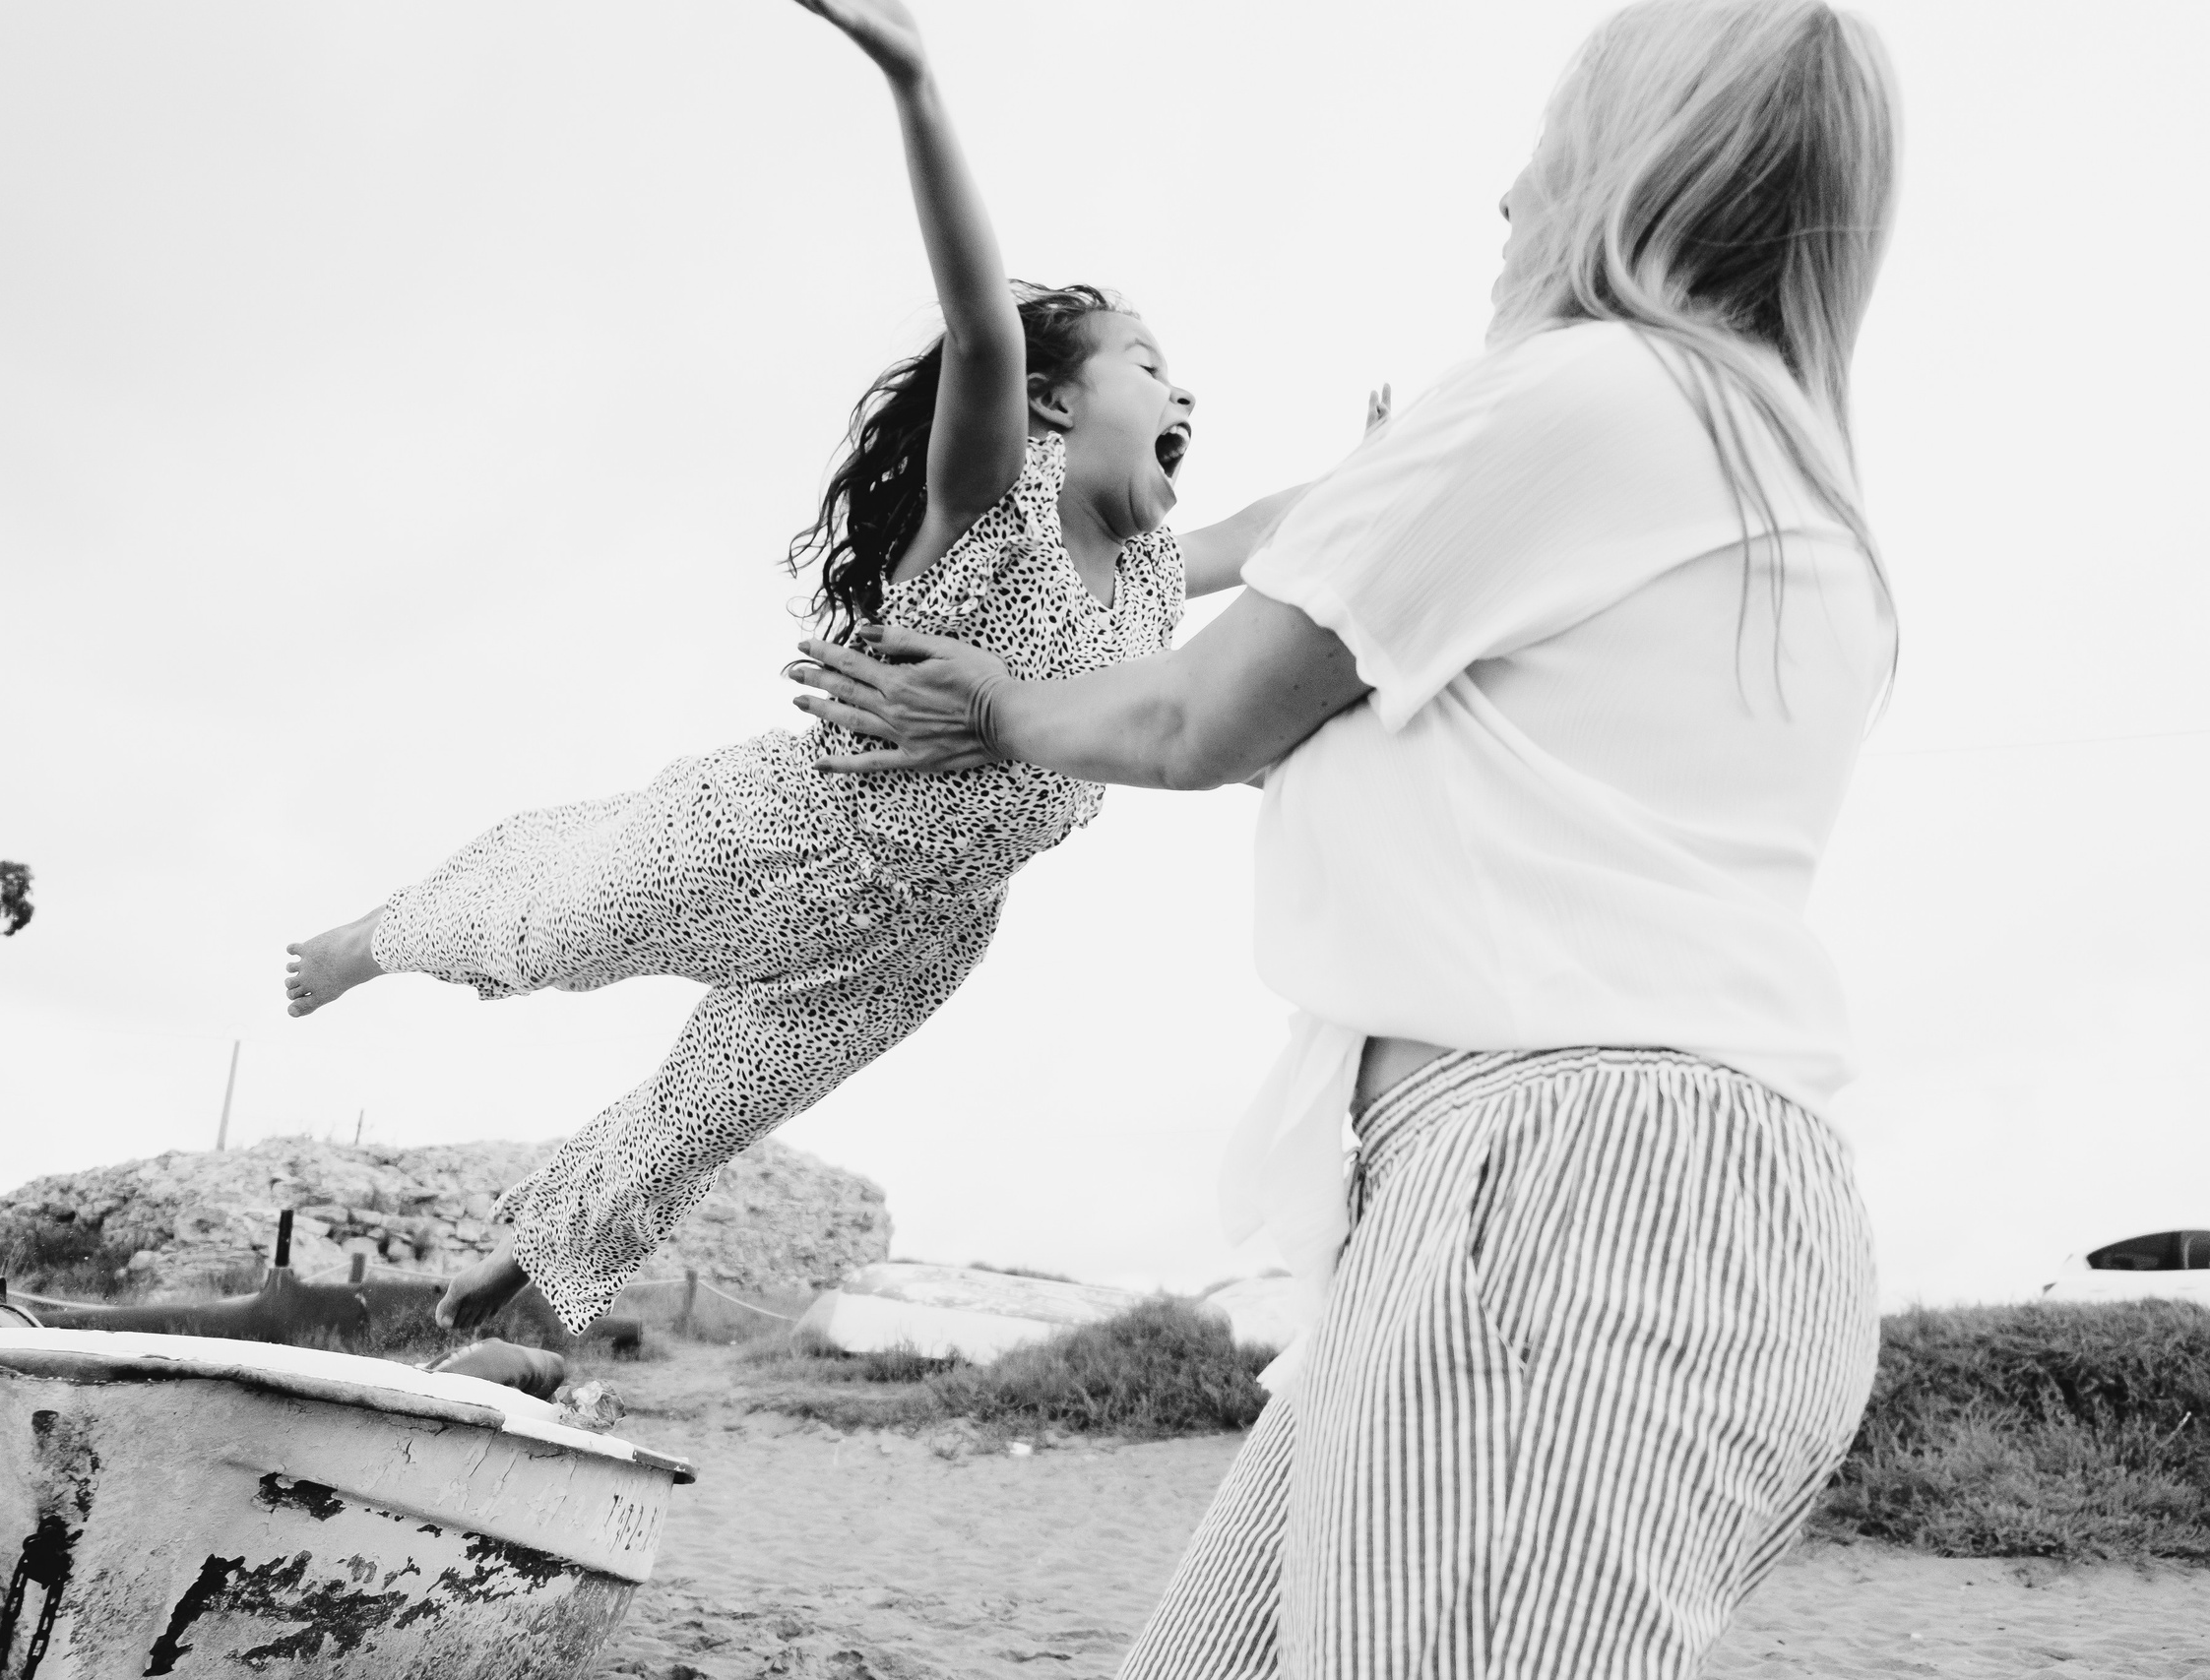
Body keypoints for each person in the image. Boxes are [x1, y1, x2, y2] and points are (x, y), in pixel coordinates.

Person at [789, 1, 1901, 1672]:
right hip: (1635, 1206)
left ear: (1635, 161)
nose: (1511, 203)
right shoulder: (1803, 502)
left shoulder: (1571, 398)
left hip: (1558, 1200)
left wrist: (997, 702)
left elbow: (1199, 718)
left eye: (1551, 145)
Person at [281, 0, 1342, 1338]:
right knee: (550, 933)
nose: (1182, 395)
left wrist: (1381, 469)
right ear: (1061, 405)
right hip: (781, 830)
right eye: (1149, 366)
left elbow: (1266, 531)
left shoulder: (1141, 581)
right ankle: (374, 937)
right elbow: (981, 336)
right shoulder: (992, 510)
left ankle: (534, 1251)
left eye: (1185, 381)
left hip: (933, 924)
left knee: (718, 1103)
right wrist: (916, 84)